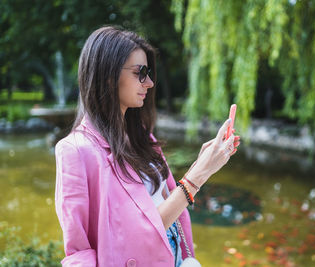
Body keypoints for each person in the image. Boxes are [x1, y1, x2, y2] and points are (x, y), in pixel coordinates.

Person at [54, 26, 240, 267]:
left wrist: (204, 161)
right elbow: (81, 253)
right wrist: (199, 174)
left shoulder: (142, 136)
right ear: (108, 76)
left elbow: (161, 202)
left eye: (149, 72)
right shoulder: (76, 151)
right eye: (140, 72)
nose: (150, 82)